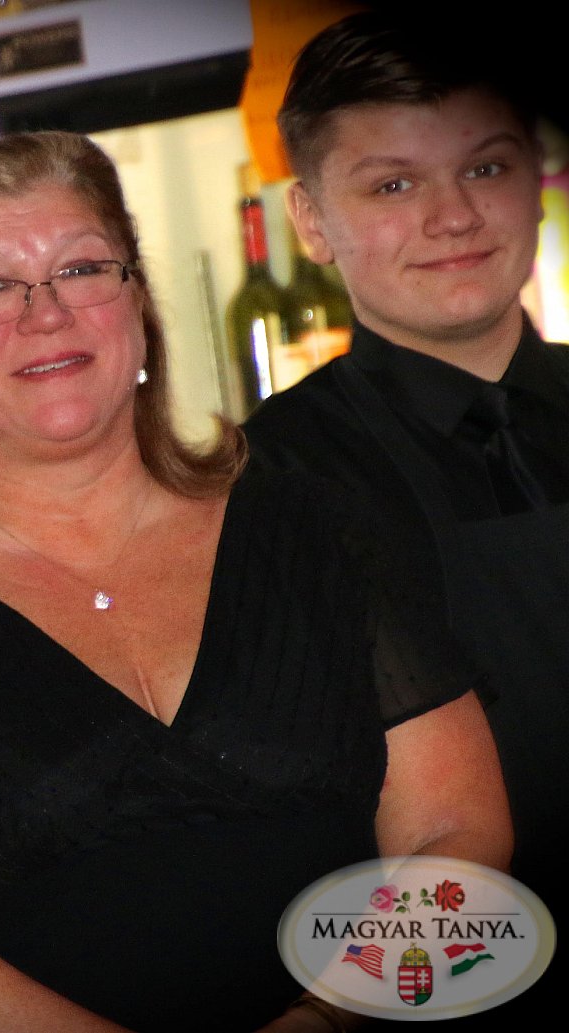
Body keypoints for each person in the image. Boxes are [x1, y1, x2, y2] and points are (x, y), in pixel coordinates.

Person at [0, 130, 512, 1032]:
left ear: (139, 308)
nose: (46, 313)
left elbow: (457, 832)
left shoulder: (319, 526)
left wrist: (325, 1019)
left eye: (82, 269)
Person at [243, 11, 568, 931]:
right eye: (393, 184)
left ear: (536, 181)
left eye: (486, 168)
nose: (452, 216)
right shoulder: (270, 477)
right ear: (311, 221)